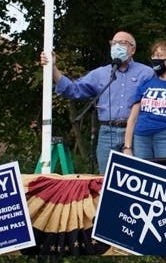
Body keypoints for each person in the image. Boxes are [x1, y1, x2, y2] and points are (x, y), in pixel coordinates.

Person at [42, 30, 156, 173]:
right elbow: (73, 90)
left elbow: (164, 93)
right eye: (113, 43)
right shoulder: (100, 73)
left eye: (122, 43)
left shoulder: (146, 73)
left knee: (137, 178)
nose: (116, 47)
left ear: (132, 49)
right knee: (106, 180)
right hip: (107, 132)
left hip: (136, 133)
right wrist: (53, 68)